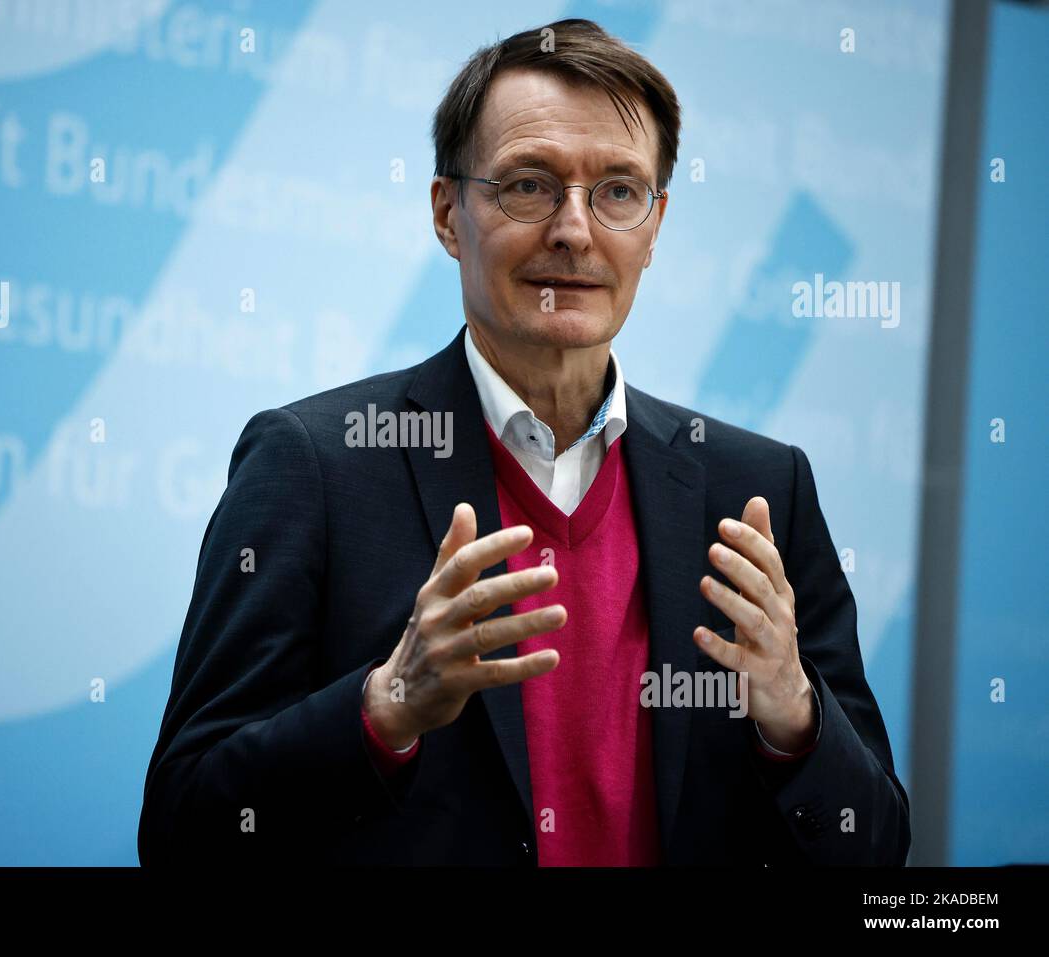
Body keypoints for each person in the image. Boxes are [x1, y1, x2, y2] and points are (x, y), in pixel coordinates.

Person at [138, 18, 909, 866]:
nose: (575, 231)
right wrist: (386, 706)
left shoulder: (759, 490)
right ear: (447, 213)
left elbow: (877, 849)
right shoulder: (316, 464)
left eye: (618, 191)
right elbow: (185, 828)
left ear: (654, 228)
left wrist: (796, 717)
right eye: (529, 186)